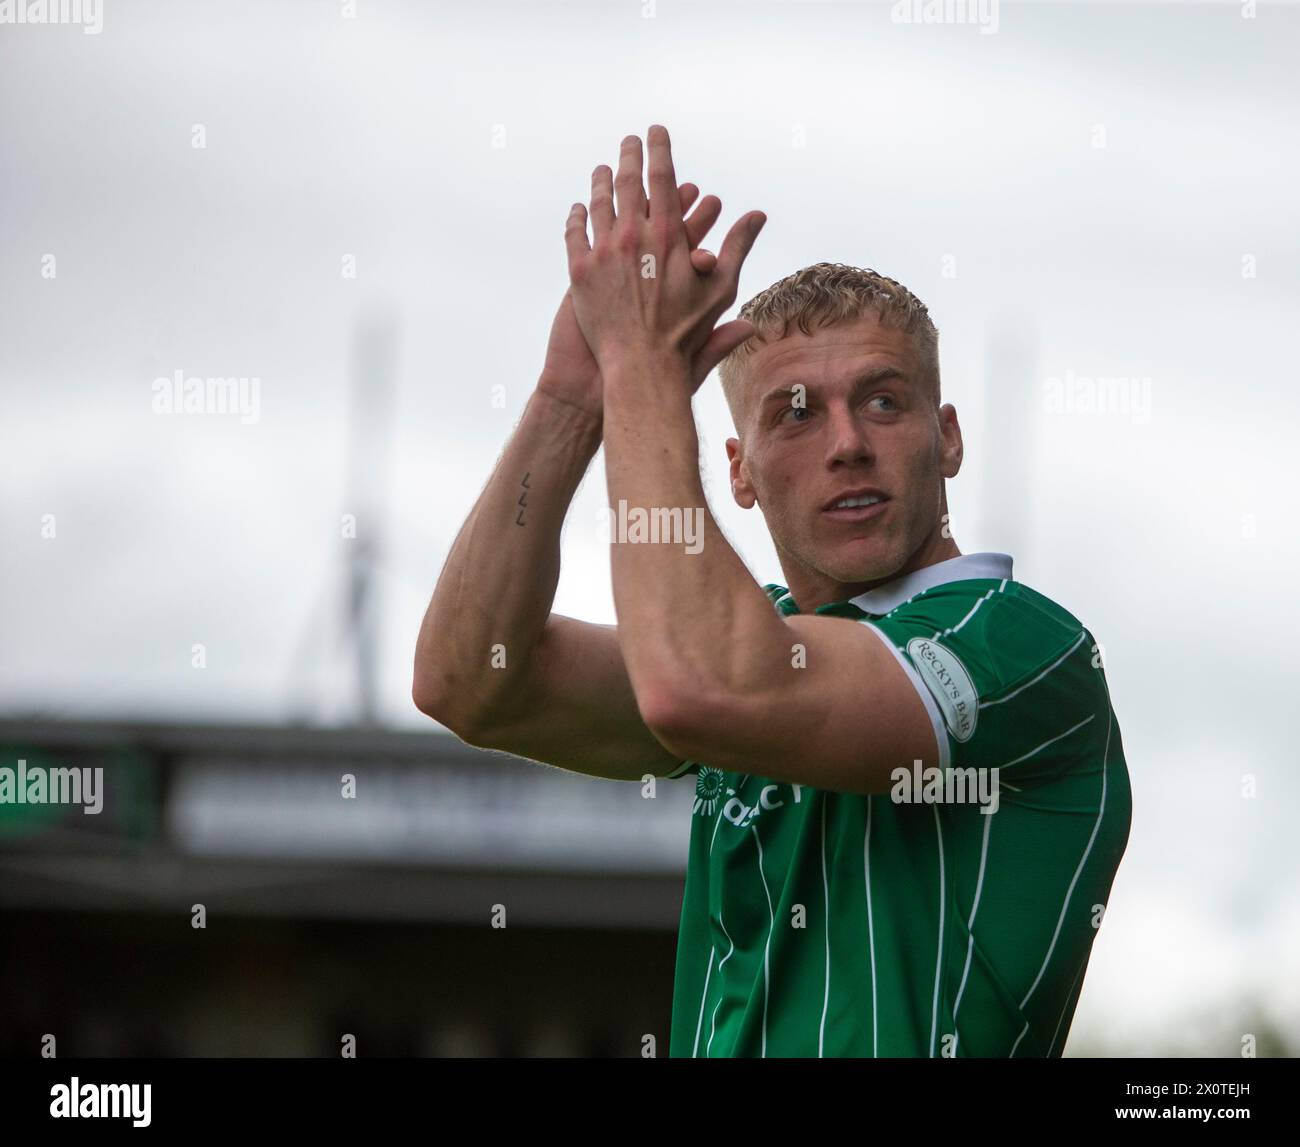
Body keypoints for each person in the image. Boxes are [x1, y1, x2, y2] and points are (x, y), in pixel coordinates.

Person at [413, 125, 1131, 1058]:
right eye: (795, 413)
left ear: (947, 438)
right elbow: (469, 680)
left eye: (883, 400)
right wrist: (571, 397)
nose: (845, 442)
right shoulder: (758, 636)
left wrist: (641, 370)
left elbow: (702, 685)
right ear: (739, 471)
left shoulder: (1021, 647)